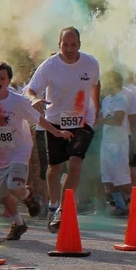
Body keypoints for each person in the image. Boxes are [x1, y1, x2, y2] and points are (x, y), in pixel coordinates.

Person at [26, 28, 101, 233]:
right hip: (56, 120)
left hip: (82, 120)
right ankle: (53, 204)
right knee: (55, 168)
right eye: (65, 45)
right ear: (59, 44)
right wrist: (35, 99)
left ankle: (63, 208)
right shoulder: (50, 65)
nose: (69, 49)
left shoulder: (91, 63)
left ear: (79, 44)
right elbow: (31, 89)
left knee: (75, 164)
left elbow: (95, 84)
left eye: (73, 45)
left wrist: (97, 107)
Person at [0, 62, 50, 239]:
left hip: (19, 149)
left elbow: (38, 118)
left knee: (13, 185)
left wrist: (56, 131)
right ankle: (19, 224)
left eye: (2, 77)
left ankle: (27, 194)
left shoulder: (17, 100)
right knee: (2, 192)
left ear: (9, 80)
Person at [96, 75, 132, 214]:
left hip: (119, 144)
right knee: (108, 178)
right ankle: (121, 206)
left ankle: (135, 203)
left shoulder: (121, 98)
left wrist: (99, 120)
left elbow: (118, 120)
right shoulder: (106, 100)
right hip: (106, 142)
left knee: (122, 178)